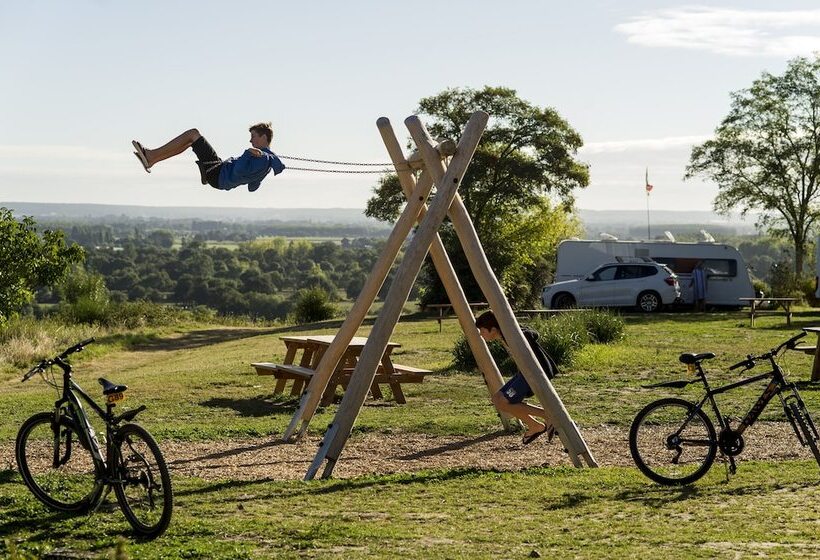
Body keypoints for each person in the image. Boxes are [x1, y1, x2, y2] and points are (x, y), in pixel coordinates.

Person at [475, 310, 559, 445]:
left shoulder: (511, 335)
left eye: (483, 330)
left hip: (534, 373)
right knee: (497, 399)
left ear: (493, 329)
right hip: (524, 374)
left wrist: (520, 333)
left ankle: (548, 416)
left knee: (503, 401)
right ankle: (536, 426)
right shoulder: (505, 336)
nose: (481, 334)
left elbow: (530, 334)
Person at [132, 122, 285, 192]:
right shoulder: (268, 163)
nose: (250, 141)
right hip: (219, 175)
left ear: (263, 137)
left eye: (253, 136)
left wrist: (247, 154)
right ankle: (153, 158)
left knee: (193, 133)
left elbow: (238, 171)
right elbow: (253, 187)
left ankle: (152, 156)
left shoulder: (262, 158)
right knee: (192, 141)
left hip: (218, 173)